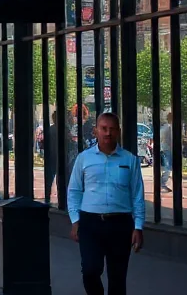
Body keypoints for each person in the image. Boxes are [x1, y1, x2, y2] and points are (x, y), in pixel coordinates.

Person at [68, 112, 144, 295]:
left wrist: (138, 227)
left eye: (111, 129)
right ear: (95, 131)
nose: (107, 133)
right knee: (90, 270)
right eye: (103, 129)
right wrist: (75, 220)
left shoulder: (130, 160)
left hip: (120, 224)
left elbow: (137, 196)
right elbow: (74, 191)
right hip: (90, 224)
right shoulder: (84, 159)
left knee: (117, 278)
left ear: (118, 132)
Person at [158, 112, 173, 192]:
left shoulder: (165, 127)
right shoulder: (168, 128)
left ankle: (163, 184)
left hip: (165, 149)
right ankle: (162, 184)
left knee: (168, 168)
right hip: (166, 150)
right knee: (167, 168)